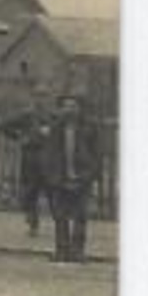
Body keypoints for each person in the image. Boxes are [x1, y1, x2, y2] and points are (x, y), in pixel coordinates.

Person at [40, 94, 103, 263]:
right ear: (61, 109)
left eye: (73, 106)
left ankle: (78, 252)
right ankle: (62, 251)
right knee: (60, 218)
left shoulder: (90, 127)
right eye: (66, 106)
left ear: (80, 108)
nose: (69, 110)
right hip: (60, 179)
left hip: (82, 179)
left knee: (80, 217)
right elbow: (48, 154)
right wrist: (51, 176)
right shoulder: (55, 128)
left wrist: (90, 176)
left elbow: (97, 155)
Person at [0, 89, 56, 237]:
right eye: (37, 97)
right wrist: (20, 137)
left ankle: (59, 224)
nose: (41, 100)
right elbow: (3, 126)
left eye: (44, 96)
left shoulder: (54, 116)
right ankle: (33, 224)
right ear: (33, 98)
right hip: (31, 157)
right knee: (31, 192)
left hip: (49, 158)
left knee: (52, 191)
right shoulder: (26, 115)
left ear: (48, 98)